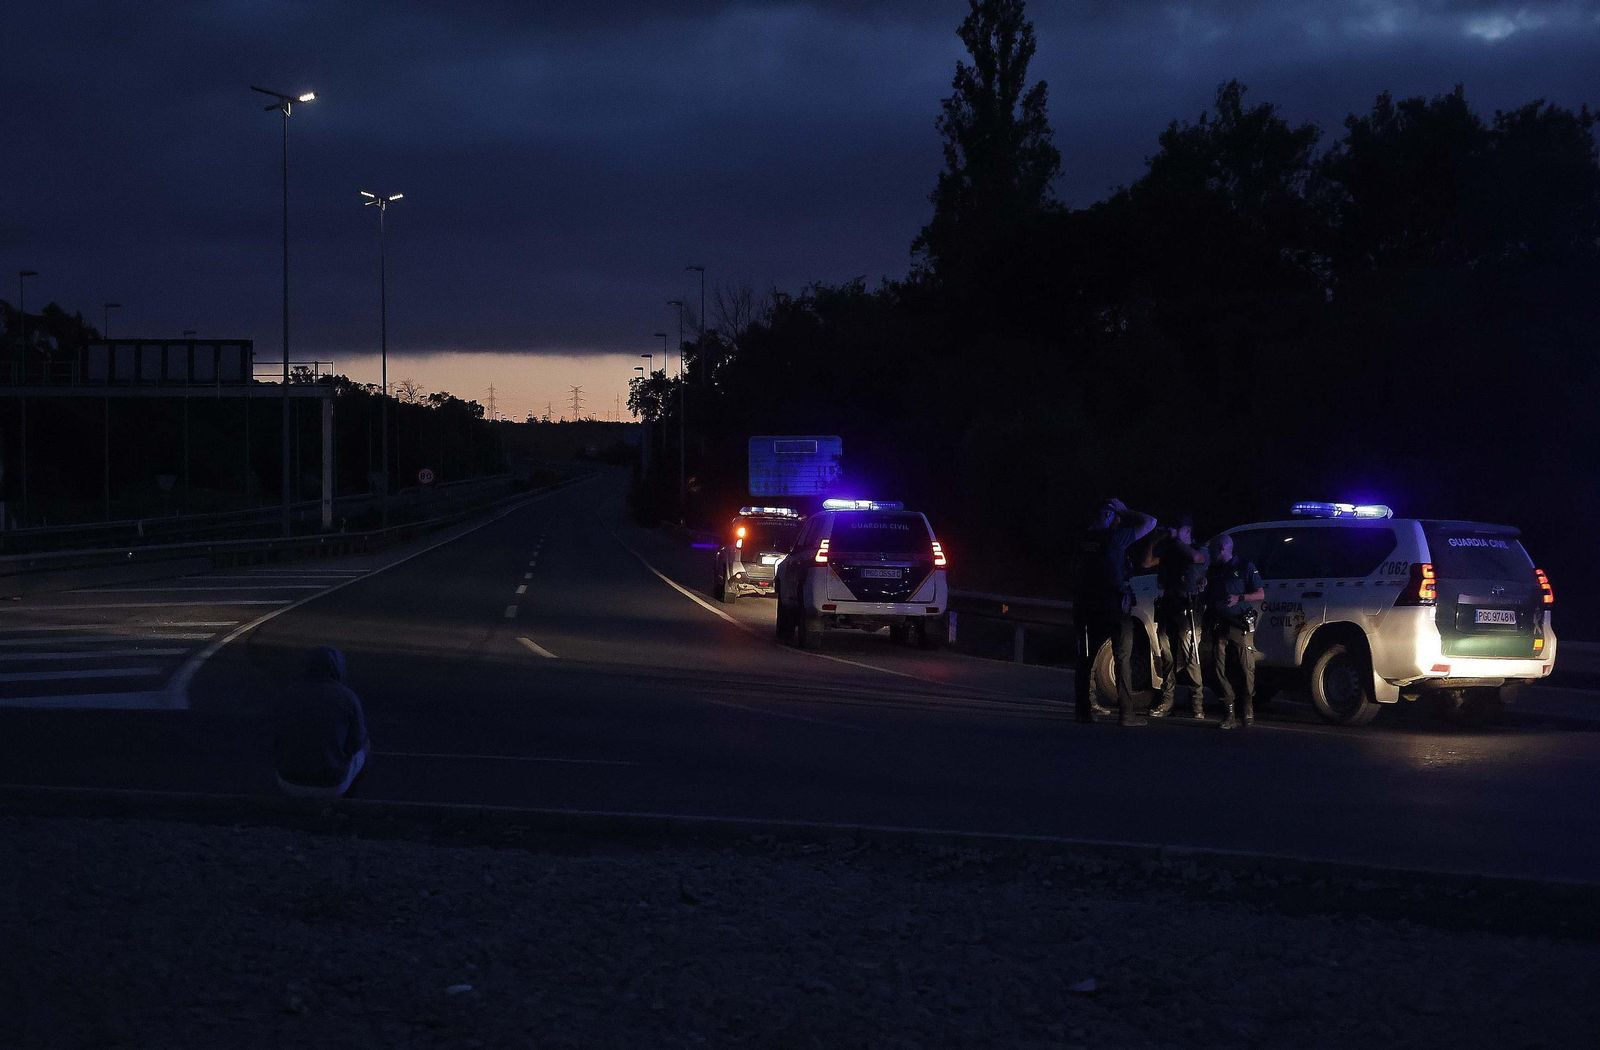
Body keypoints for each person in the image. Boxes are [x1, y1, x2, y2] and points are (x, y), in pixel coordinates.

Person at [1073, 497, 1157, 726]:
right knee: (1122, 657)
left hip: (1085, 605)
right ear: (1109, 516)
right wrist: (1127, 510)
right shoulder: (1114, 538)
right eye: (1114, 515)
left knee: (1085, 658)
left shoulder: (1083, 538)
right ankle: (1126, 714)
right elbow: (1150, 522)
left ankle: (1083, 711)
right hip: (1113, 605)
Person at [273, 646, 371, 797]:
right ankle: (348, 803)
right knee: (366, 745)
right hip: (330, 782)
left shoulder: (287, 693)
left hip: (289, 780)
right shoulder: (347, 697)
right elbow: (356, 742)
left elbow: (273, 736)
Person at [1204, 533, 1266, 729]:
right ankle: (1228, 710)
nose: (1210, 553)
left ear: (1222, 549)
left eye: (1213, 549)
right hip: (1218, 623)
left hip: (1238, 623)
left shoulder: (1244, 566)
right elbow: (1206, 593)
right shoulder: (1213, 570)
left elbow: (1260, 593)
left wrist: (1239, 598)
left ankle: (1247, 706)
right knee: (1217, 667)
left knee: (1245, 667)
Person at [1149, 515, 1208, 719]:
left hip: (1188, 608)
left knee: (1191, 655)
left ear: (1187, 531)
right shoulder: (1171, 549)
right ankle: (1167, 701)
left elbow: (1196, 559)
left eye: (1178, 529)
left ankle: (1197, 704)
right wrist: (1155, 539)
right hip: (1168, 605)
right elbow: (1147, 561)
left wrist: (1175, 540)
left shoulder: (1198, 549)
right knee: (1167, 656)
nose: (1174, 533)